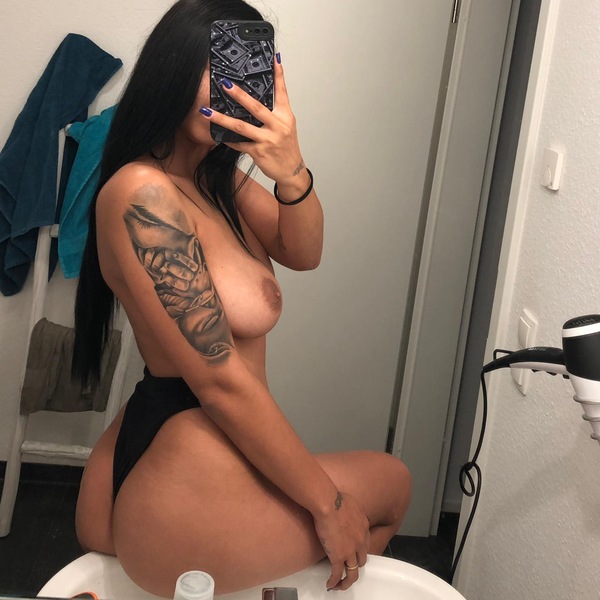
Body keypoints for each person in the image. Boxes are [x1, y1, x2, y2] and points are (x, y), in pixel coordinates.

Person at [72, 0, 412, 596]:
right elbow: (220, 381)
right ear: (173, 69)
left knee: (384, 490)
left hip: (185, 448)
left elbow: (304, 252)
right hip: (182, 459)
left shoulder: (217, 179)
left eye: (248, 69)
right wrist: (328, 504)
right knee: (391, 489)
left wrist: (291, 170)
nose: (232, 87)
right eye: (217, 67)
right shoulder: (143, 193)